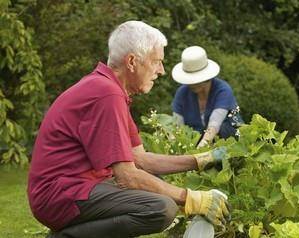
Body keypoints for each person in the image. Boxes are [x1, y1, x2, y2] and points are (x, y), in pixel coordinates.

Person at [27, 21, 230, 238]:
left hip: (74, 189)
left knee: (157, 189)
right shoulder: (106, 94)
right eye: (157, 62)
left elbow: (141, 160)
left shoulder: (111, 90)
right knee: (160, 208)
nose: (161, 71)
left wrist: (200, 159)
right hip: (60, 194)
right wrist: (190, 198)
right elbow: (127, 176)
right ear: (132, 61)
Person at [171, 46, 243, 148]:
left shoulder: (223, 90)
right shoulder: (182, 93)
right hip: (199, 142)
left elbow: (214, 125)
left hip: (229, 143)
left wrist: (199, 151)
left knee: (222, 129)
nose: (192, 83)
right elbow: (177, 127)